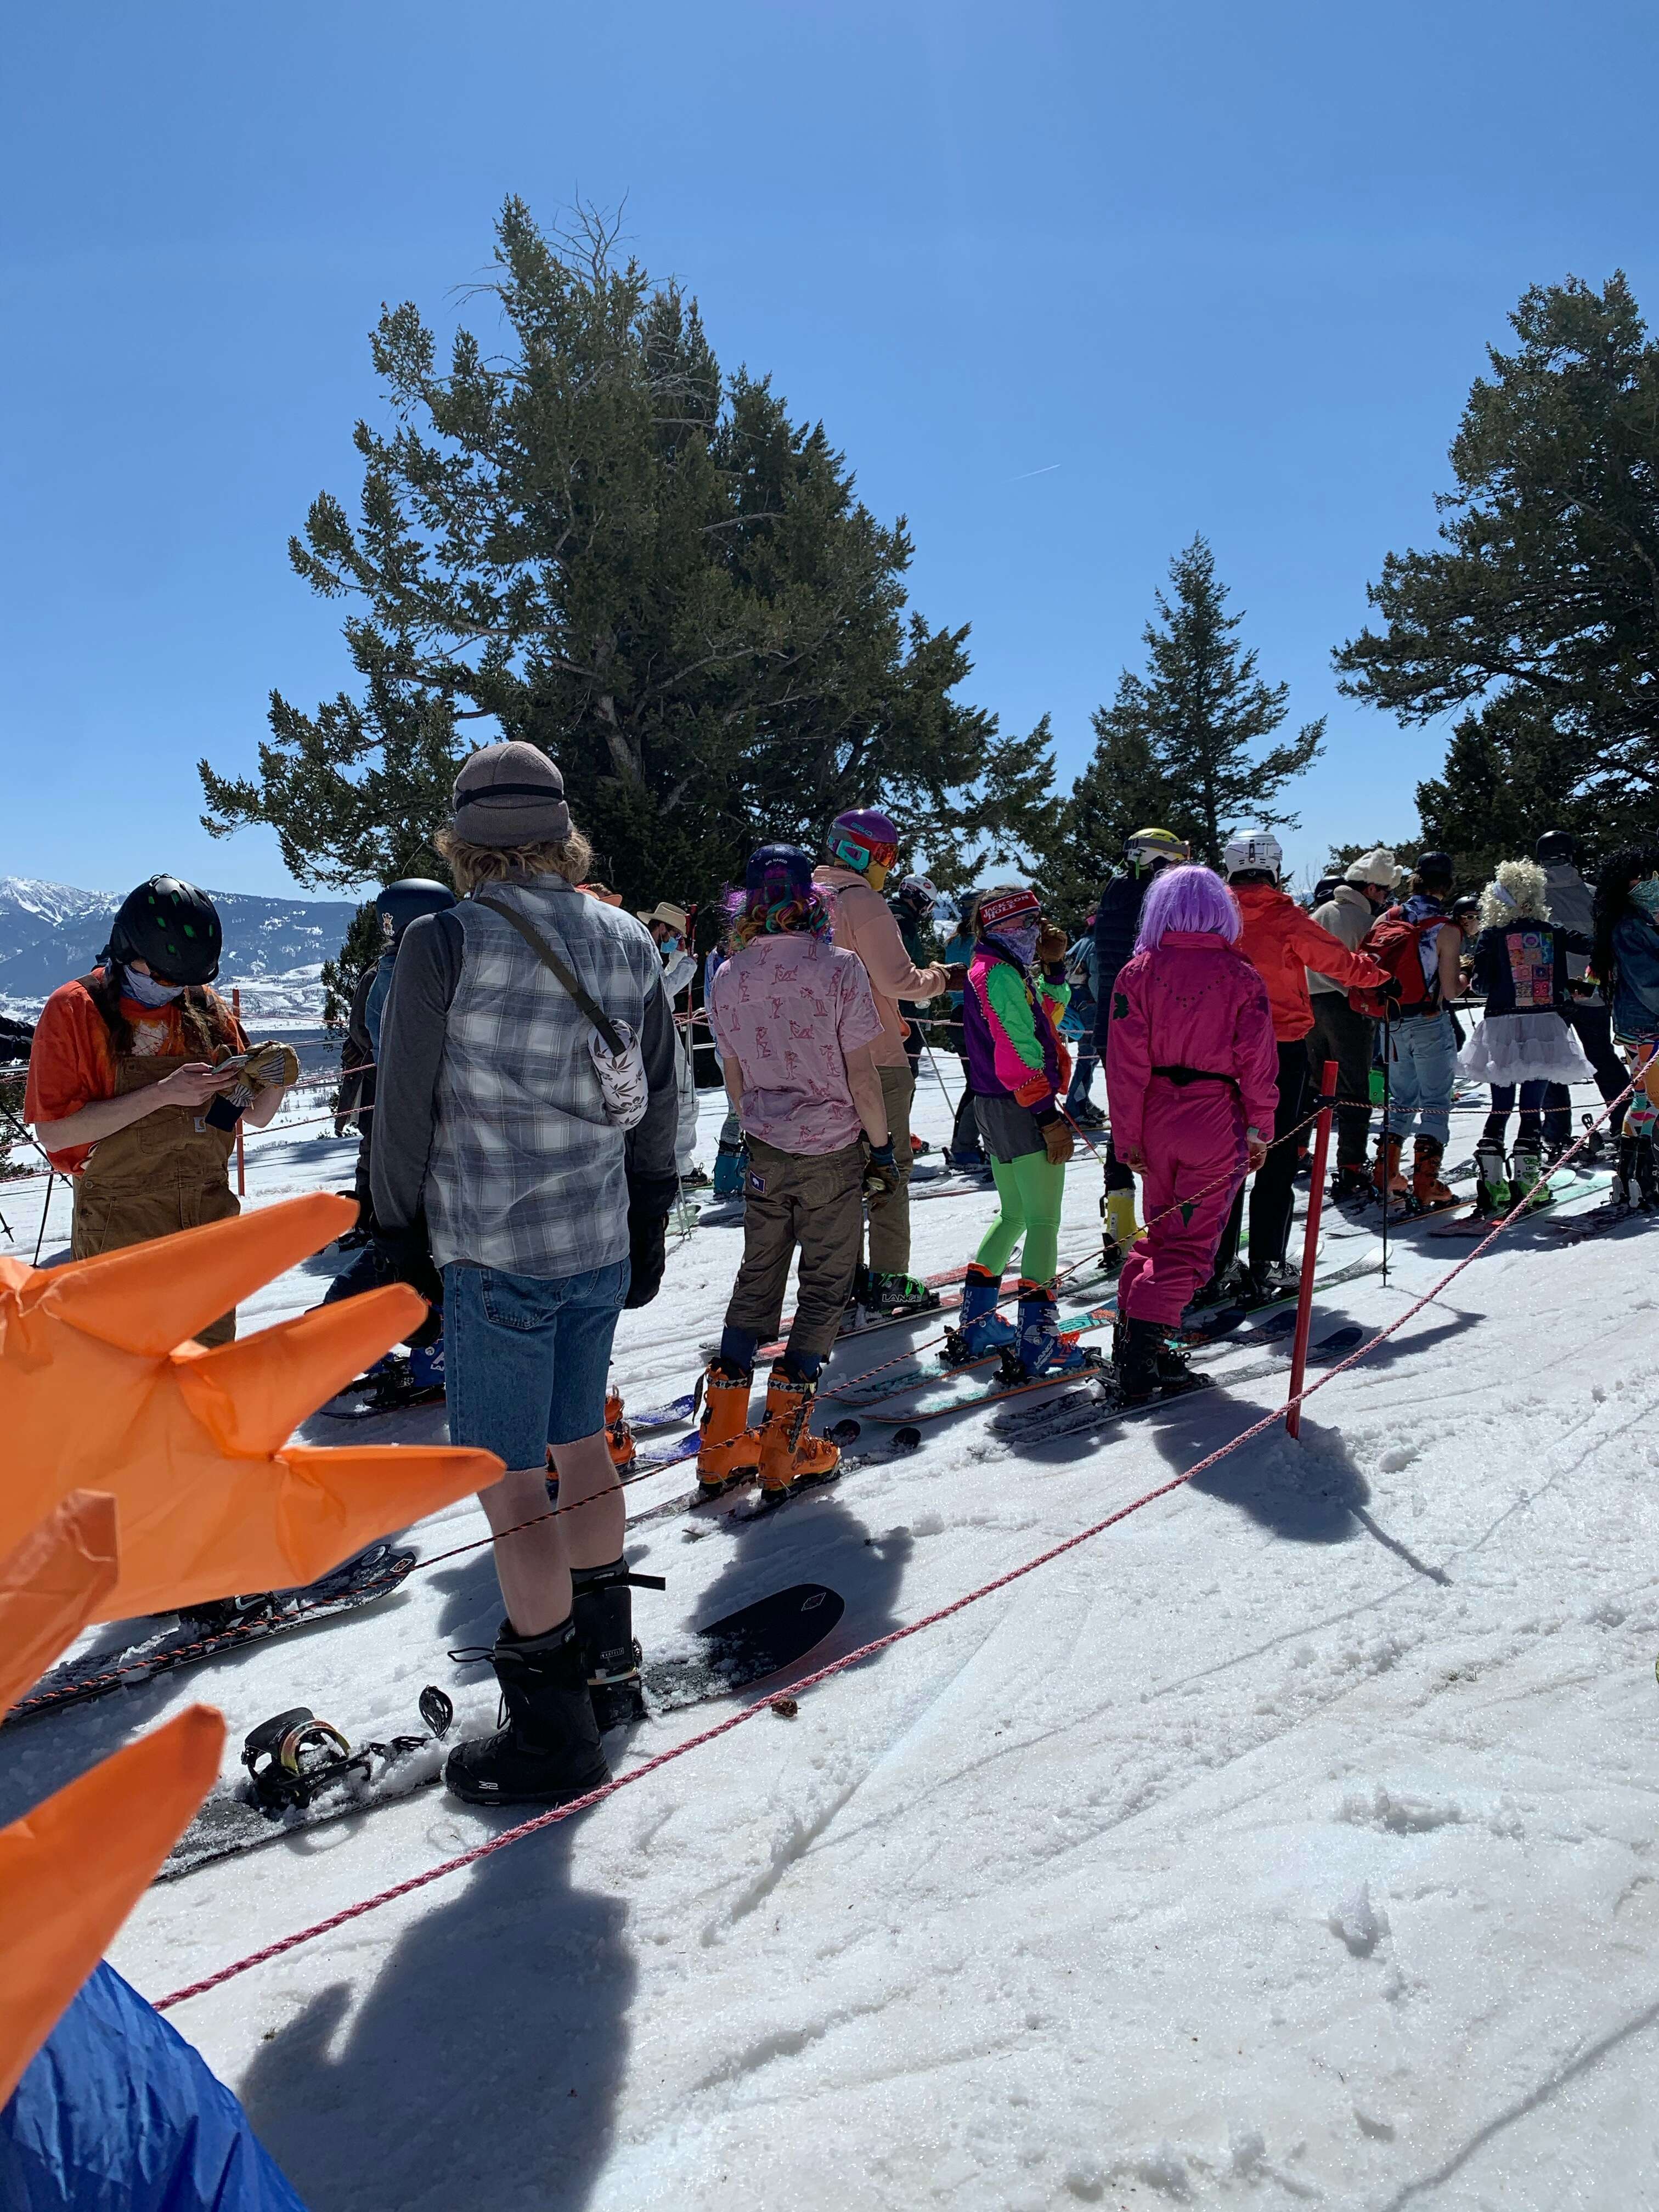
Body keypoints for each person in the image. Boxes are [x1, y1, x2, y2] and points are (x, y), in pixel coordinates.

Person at [373, 742, 680, 1806]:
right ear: (562, 831)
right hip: (595, 1241)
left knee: (512, 1490)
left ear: (464, 839)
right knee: (582, 1451)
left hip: (492, 1252)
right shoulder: (628, 936)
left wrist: (393, 1229)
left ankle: (550, 1728)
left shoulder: (440, 944)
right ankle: (610, 1670)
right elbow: (662, 1101)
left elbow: (404, 1108)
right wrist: (650, 1210)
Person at [696, 845, 898, 1496]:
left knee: (759, 1273)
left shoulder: (728, 974)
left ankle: (722, 1445)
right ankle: (784, 1448)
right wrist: (883, 1149)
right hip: (831, 1146)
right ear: (811, 898)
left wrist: (755, 1125)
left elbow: (732, 1073)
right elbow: (862, 1075)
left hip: (765, 1144)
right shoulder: (838, 968)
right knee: (826, 1282)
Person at [24, 876, 296, 1345]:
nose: (174, 992)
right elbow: (55, 1135)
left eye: (186, 981)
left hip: (206, 1222)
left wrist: (273, 1079)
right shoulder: (75, 1011)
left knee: (202, 1381)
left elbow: (255, 1116)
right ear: (128, 952)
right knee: (125, 1381)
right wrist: (161, 1093)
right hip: (121, 1227)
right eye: (166, 978)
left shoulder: (205, 1009)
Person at [1105, 864, 1279, 1401]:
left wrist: (1127, 1138)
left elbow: (1124, 1065)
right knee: (1192, 1250)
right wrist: (1259, 1130)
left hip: (1157, 1115)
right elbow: (1258, 1063)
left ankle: (1138, 1349)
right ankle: (1141, 1364)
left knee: (1160, 1237)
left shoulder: (1136, 973)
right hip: (1213, 1117)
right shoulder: (1242, 977)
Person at [1203, 830, 1384, 1299]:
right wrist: (1379, 973)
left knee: (1228, 1160)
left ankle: (1218, 1264)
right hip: (1280, 1044)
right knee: (1277, 1154)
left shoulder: (1212, 914)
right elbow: (1337, 963)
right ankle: (1266, 1261)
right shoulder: (1284, 914)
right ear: (1275, 867)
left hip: (1220, 1050)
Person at [812, 806, 956, 1315]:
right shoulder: (864, 901)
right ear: (860, 852)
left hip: (821, 1059)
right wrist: (941, 977)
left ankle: (842, 1278)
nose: (889, 867)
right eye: (885, 855)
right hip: (875, 1055)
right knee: (889, 1172)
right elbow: (899, 981)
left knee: (841, 1177)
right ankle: (889, 1280)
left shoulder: (809, 898)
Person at [951, 885, 1092, 1378]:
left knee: (1014, 1214)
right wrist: (1047, 1117)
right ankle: (1039, 1338)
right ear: (1007, 926)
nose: (1039, 933)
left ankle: (978, 1321)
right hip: (1019, 1103)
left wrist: (1054, 972)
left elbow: (1045, 1020)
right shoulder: (999, 974)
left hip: (994, 1104)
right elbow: (1018, 1049)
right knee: (1043, 1222)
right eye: (1031, 923)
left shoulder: (996, 968)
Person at [1457, 859, 1595, 1213]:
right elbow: (1590, 945)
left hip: (1502, 1023)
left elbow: (1482, 984)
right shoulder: (1552, 930)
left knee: (1501, 1105)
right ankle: (1528, 1182)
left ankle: (1492, 1184)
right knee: (1532, 1105)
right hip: (1544, 1023)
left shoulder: (1491, 935)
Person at [1091, 828, 1190, 1262]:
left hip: (1108, 1028)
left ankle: (1118, 1215)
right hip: (1150, 1028)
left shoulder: (1113, 895)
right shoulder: (1155, 902)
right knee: (1161, 1124)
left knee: (1124, 1121)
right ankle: (1163, 1221)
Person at [1369, 851, 1469, 1212]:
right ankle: (1426, 1183)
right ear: (1447, 883)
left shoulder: (1388, 917)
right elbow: (1451, 990)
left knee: (1401, 1099)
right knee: (1436, 1103)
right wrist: (1465, 976)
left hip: (1391, 1021)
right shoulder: (1447, 928)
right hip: (1429, 1020)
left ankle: (1387, 1173)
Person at [1307, 849, 1401, 1201]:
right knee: (1354, 1090)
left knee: (1315, 1086)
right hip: (1348, 1006)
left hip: (1310, 1004)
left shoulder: (1320, 912)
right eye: (1385, 892)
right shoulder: (1365, 922)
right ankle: (1350, 1167)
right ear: (1373, 889)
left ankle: (1298, 1152)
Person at [1535, 830, 1631, 1158]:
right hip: (1589, 986)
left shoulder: (1528, 898)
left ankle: (1557, 1132)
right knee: (1601, 1054)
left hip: (1545, 991)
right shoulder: (1593, 894)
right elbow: (1609, 944)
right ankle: (1623, 1120)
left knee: (1552, 1060)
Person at [1590, 846, 1659, 1208]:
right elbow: (1649, 982)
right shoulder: (1628, 926)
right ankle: (1636, 1176)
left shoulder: (1645, 918)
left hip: (1647, 1024)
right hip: (1646, 1026)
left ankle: (1637, 1174)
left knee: (1649, 1101)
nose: (1651, 882)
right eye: (1643, 876)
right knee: (1649, 1101)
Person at [637, 899, 705, 1186]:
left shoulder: (645, 948)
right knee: (684, 1096)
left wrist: (679, 960)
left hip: (655, 1031)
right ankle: (681, 1165)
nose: (676, 941)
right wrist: (688, 967)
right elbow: (661, 991)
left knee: (680, 1095)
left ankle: (678, 1162)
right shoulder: (642, 950)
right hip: (656, 1033)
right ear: (662, 927)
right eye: (675, 935)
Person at [940, 893, 990, 1172]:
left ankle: (965, 1145)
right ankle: (966, 1147)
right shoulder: (980, 942)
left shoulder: (954, 942)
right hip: (977, 1015)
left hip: (959, 1015)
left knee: (975, 1082)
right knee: (984, 1083)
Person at [890, 872, 940, 1082]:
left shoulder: (885, 914)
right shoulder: (905, 924)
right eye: (927, 906)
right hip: (906, 1009)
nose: (925, 913)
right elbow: (908, 966)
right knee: (906, 1073)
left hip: (885, 1007)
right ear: (919, 899)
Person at [1061, 918, 1105, 1127]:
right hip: (1091, 1002)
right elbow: (1096, 977)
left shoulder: (1081, 942)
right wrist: (1103, 1003)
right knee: (1089, 1056)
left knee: (1089, 1056)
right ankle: (1075, 1108)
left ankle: (1081, 1101)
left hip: (1076, 1001)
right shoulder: (1097, 944)